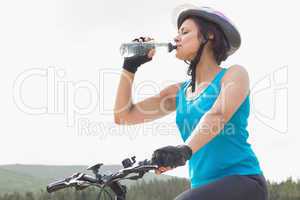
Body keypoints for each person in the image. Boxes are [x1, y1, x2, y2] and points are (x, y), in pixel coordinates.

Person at [114, 6, 268, 200]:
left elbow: (217, 115)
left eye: (185, 32)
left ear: (209, 35)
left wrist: (184, 150)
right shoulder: (178, 93)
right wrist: (129, 67)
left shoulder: (233, 75)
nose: (177, 38)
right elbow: (123, 116)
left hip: (245, 182)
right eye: (177, 33)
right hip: (202, 189)